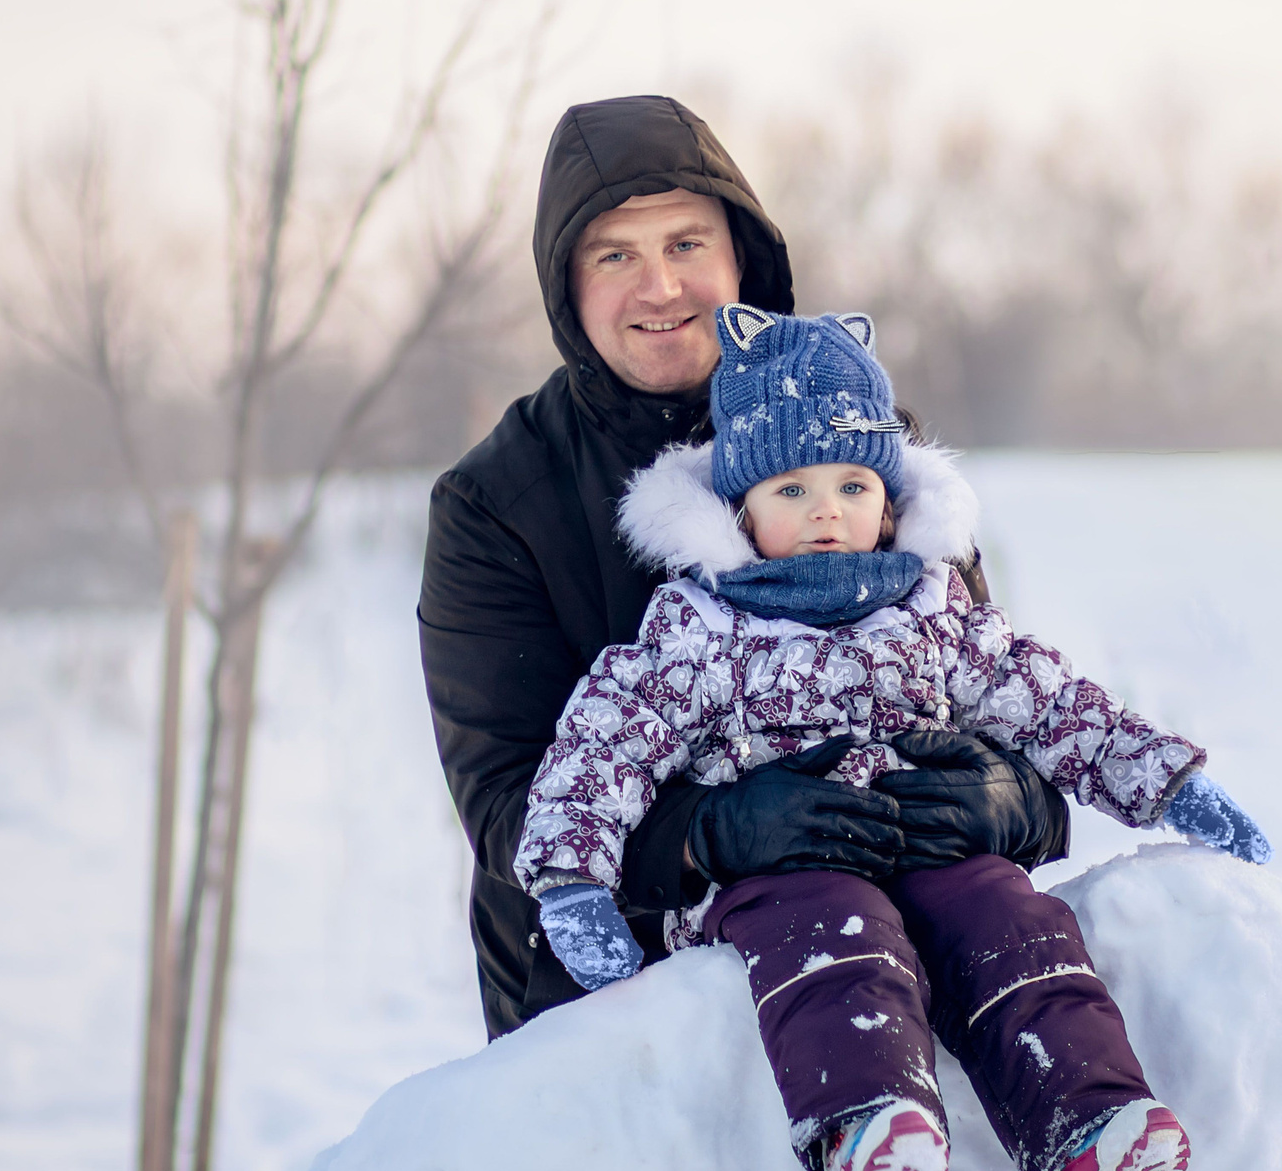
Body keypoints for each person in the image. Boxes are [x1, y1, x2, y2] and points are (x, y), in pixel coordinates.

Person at [518, 306, 1274, 1171]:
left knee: (1014, 916)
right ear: (740, 508)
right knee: (831, 937)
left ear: (889, 495)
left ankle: (1090, 1125)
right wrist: (572, 880)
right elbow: (600, 746)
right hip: (782, 870)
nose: (826, 508)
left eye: (851, 481)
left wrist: (1167, 781)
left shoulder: (932, 605)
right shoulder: (701, 625)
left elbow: (1050, 701)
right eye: (791, 487)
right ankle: (873, 1122)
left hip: (928, 846)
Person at [419, 96, 1074, 1039]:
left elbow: (991, 681)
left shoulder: (862, 445)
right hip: (615, 1025)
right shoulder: (494, 506)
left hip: (885, 994)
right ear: (567, 285)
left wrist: (1018, 801)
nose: (660, 288)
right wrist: (707, 831)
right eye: (615, 255)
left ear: (743, 260)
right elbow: (507, 806)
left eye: (687, 244)